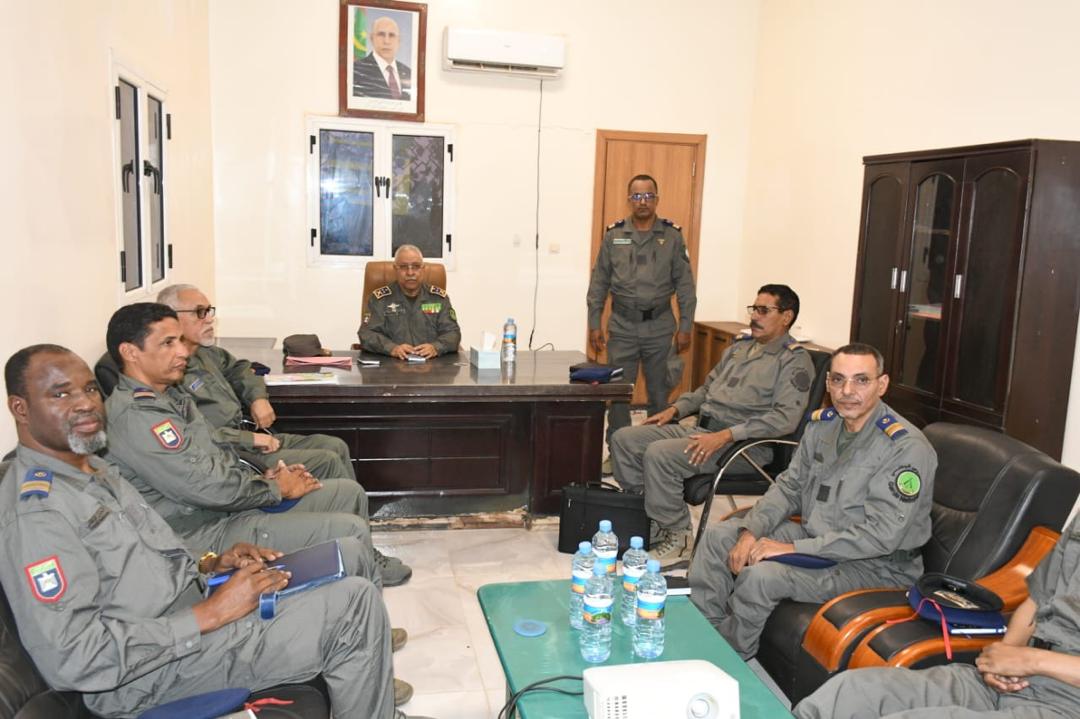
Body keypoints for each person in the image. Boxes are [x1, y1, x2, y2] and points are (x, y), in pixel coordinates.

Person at [0, 344, 433, 719]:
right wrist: (211, 614)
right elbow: (75, 658)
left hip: (192, 610)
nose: (85, 404)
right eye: (61, 394)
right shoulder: (37, 515)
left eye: (90, 389)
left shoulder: (93, 468)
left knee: (346, 554)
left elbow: (147, 560)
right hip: (148, 674)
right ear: (20, 408)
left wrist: (213, 564)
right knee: (352, 606)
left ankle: (366, 689)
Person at [102, 302, 412, 587]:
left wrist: (261, 477)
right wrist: (275, 489)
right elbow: (206, 487)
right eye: (168, 343)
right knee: (350, 529)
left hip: (227, 507)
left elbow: (216, 451)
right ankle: (358, 603)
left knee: (348, 492)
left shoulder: (169, 395)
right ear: (130, 352)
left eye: (180, 341)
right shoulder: (138, 417)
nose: (183, 351)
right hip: (202, 532)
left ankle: (361, 574)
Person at [688, 342, 937, 659]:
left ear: (882, 384)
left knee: (761, 576)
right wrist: (751, 531)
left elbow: (880, 536)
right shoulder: (824, 426)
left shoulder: (905, 447)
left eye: (861, 380)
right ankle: (703, 636)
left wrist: (792, 549)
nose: (847, 391)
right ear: (828, 383)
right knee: (719, 537)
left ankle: (727, 658)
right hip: (817, 537)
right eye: (838, 380)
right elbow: (789, 487)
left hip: (876, 566)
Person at [794, 513, 1080, 719]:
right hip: (1016, 679)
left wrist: (1031, 661)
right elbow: (1035, 601)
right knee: (852, 692)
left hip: (1067, 702)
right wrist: (1003, 659)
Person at [611, 284, 815, 568]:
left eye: (763, 310)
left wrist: (726, 435)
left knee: (659, 454)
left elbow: (784, 418)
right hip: (702, 430)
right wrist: (675, 409)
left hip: (742, 447)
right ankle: (653, 521)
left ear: (786, 317)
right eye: (753, 309)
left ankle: (679, 539)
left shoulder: (793, 361)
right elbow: (706, 390)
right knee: (624, 439)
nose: (754, 316)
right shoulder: (740, 348)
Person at [144, 283, 356, 481]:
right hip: (229, 453)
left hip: (245, 437)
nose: (209, 319)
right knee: (327, 460)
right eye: (200, 312)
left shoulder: (206, 353)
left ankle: (343, 504)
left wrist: (257, 398)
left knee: (336, 445)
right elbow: (194, 434)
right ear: (171, 318)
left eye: (209, 311)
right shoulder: (167, 374)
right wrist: (249, 439)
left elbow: (240, 369)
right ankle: (337, 504)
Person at [586, 174, 697, 471]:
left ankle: (656, 454)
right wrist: (594, 323)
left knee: (660, 393)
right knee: (619, 393)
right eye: (636, 196)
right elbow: (599, 283)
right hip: (622, 325)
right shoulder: (614, 236)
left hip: (660, 326)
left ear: (657, 199)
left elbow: (685, 286)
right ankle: (617, 453)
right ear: (629, 200)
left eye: (648, 196)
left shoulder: (672, 236)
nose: (642, 202)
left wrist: (686, 326)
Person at [359, 244, 461, 359]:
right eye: (403, 267)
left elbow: (453, 333)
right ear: (395, 269)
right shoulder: (380, 299)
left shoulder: (438, 298)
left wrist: (436, 347)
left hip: (431, 364)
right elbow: (366, 334)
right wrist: (391, 348)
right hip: (392, 364)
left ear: (423, 269)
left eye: (416, 266)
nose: (410, 273)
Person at [353, 16, 412, 100]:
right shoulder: (356, 71)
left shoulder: (409, 73)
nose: (386, 41)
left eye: (392, 35)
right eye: (381, 34)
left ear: (399, 41)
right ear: (372, 39)